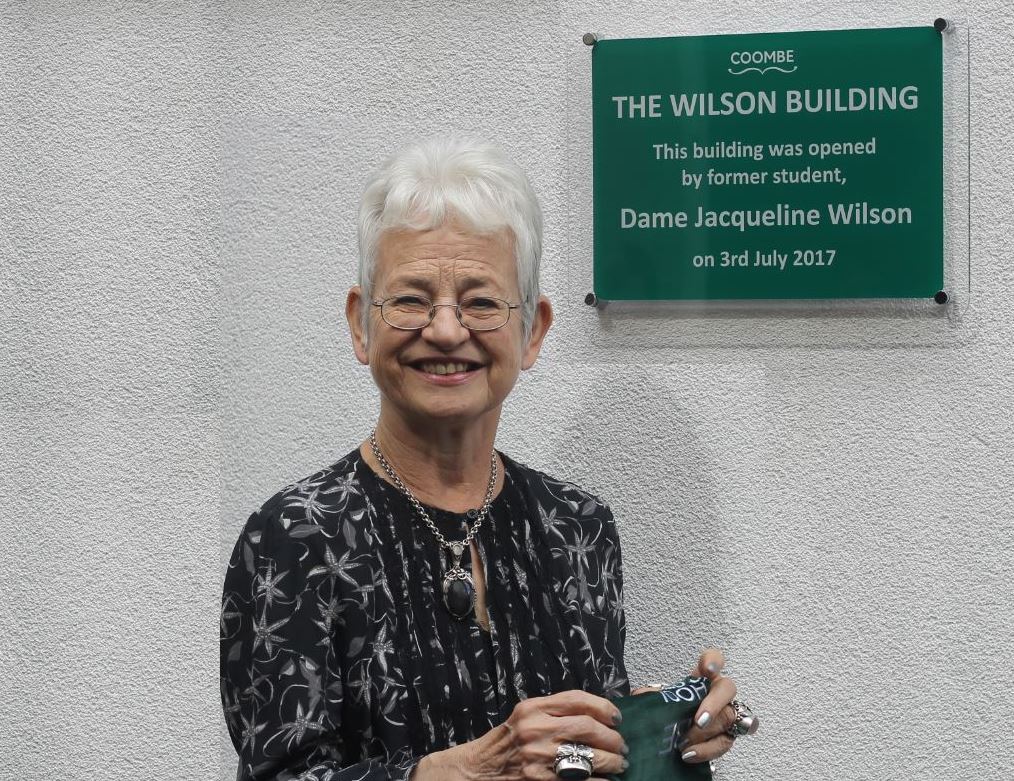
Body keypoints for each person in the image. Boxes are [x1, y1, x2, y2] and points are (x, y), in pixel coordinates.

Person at [220, 137, 751, 780]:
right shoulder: (295, 535)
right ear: (361, 325)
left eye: (480, 302)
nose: (446, 330)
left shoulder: (578, 528)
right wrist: (465, 774)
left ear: (532, 331)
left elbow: (576, 759)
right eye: (411, 299)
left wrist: (664, 732)